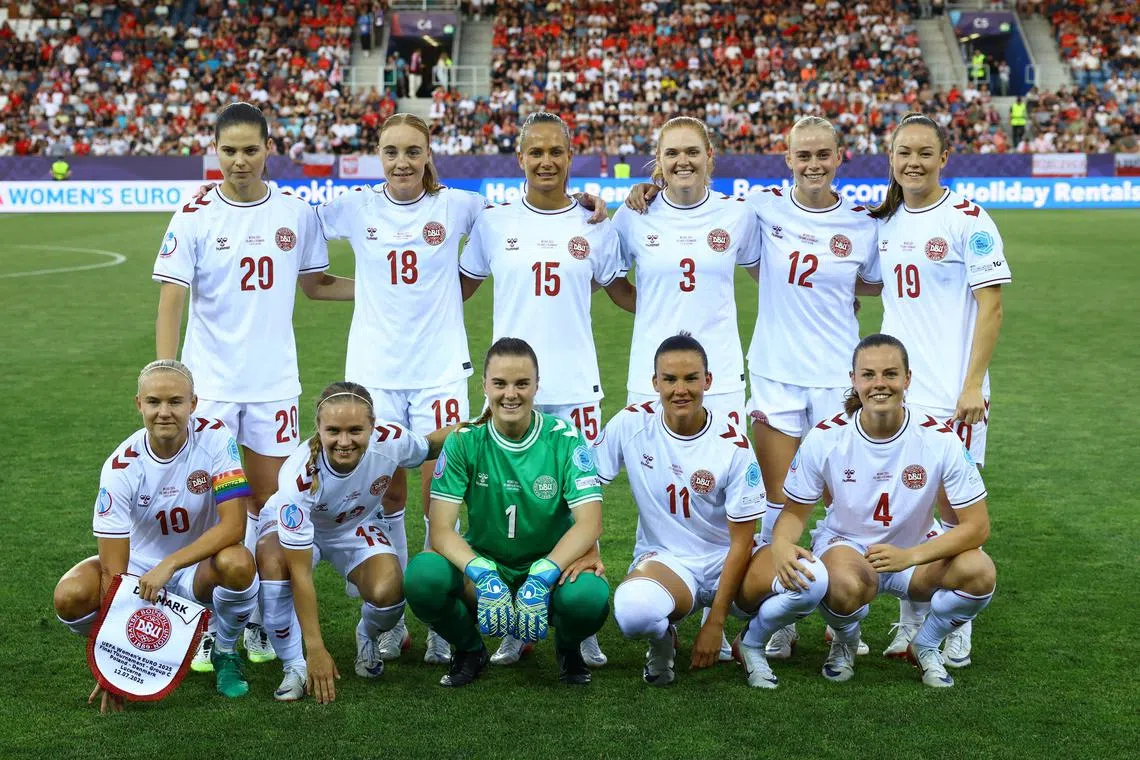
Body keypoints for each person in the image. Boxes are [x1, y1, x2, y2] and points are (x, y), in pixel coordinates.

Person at [625, 116, 881, 659]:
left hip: (836, 375)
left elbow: (872, 282)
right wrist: (641, 191)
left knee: (842, 493)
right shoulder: (760, 207)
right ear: (786, 159)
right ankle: (776, 611)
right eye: (801, 154)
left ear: (841, 157)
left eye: (822, 154)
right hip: (771, 372)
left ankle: (843, 615)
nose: (812, 163)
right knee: (772, 497)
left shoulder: (856, 223)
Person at [153, 101, 353, 669]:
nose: (239, 161)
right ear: (214, 152)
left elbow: (319, 285)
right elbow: (172, 299)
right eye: (228, 150)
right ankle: (207, 624)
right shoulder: (193, 214)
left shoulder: (295, 211)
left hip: (272, 386)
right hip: (210, 386)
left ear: (269, 149)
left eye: (249, 149)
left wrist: (397, 290)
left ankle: (267, 623)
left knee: (270, 503)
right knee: (206, 507)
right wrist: (169, 379)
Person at [314, 112, 488, 665]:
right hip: (375, 375)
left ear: (429, 153)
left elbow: (523, 216)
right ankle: (390, 623)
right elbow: (296, 225)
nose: (402, 162)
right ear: (378, 156)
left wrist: (590, 205)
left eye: (413, 151)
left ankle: (438, 612)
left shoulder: (458, 205)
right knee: (387, 494)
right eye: (391, 152)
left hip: (438, 370)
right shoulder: (356, 206)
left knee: (442, 493)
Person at [459, 111, 623, 667]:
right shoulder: (493, 223)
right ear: (520, 158)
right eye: (537, 152)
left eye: (557, 151)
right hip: (507, 388)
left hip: (576, 385)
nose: (547, 161)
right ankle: (515, 622)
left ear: (570, 158)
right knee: (509, 499)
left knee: (581, 501)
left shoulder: (596, 224)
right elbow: (455, 288)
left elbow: (621, 291)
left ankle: (580, 618)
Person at [738, 333, 996, 688]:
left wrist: (911, 555)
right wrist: (781, 544)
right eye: (869, 375)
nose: (880, 384)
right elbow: (795, 512)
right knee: (840, 584)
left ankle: (927, 643)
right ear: (853, 380)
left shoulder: (939, 438)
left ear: (907, 379)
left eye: (890, 374)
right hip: (848, 548)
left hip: (915, 552)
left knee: (980, 572)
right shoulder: (826, 437)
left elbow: (977, 527)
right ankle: (845, 640)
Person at [871, 112, 1010, 667]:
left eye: (924, 153)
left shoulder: (968, 219)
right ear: (891, 158)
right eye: (904, 152)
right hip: (897, 397)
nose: (913, 162)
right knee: (907, 514)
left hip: (953, 397)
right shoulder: (885, 219)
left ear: (944, 158)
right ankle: (909, 625)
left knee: (956, 518)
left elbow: (992, 306)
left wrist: (972, 384)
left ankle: (958, 626)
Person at [52, 361, 260, 711]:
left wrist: (171, 564)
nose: (164, 412)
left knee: (239, 563)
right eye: (154, 402)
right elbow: (113, 572)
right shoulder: (120, 468)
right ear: (139, 404)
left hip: (196, 566)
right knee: (69, 596)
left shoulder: (216, 438)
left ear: (193, 404)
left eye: (175, 402)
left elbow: (233, 527)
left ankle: (224, 650)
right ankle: (166, 642)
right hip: (140, 571)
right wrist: (115, 665)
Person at [404, 338, 610, 687]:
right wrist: (481, 573)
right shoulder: (465, 440)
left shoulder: (565, 437)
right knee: (423, 576)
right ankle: (469, 650)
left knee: (589, 597)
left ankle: (567, 648)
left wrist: (544, 573)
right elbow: (440, 530)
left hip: (549, 566)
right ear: (484, 385)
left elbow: (590, 522)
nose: (510, 394)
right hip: (487, 565)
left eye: (521, 384)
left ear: (536, 386)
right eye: (499, 384)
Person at [254, 382, 454, 703]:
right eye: (333, 430)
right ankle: (294, 666)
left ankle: (367, 634)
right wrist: (315, 649)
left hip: (353, 526)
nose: (344, 442)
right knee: (275, 565)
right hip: (301, 529)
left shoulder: (392, 440)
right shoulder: (299, 475)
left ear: (373, 427)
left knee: (390, 595)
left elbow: (430, 446)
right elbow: (302, 576)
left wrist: (486, 423)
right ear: (318, 429)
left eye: (355, 430)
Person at [596, 334, 765, 686]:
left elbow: (741, 542)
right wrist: (587, 550)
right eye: (670, 379)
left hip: (725, 559)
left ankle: (751, 643)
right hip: (667, 560)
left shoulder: (733, 444)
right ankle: (662, 643)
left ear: (708, 381)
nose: (680, 389)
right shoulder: (630, 424)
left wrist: (716, 620)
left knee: (811, 582)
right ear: (654, 382)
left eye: (691, 378)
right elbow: (587, 486)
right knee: (633, 614)